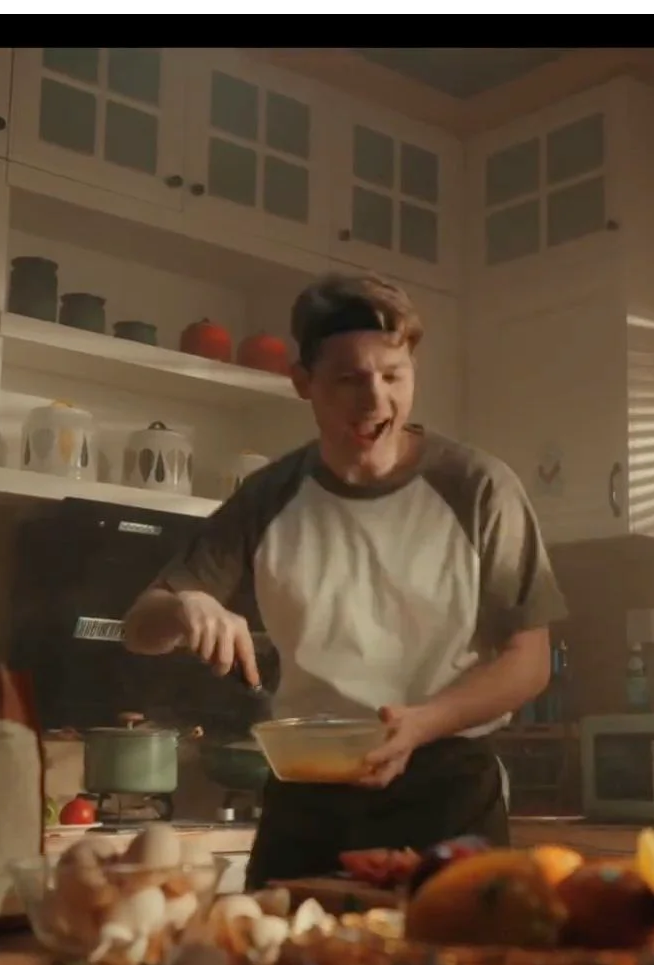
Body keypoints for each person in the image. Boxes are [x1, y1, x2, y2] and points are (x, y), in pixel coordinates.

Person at [122, 272, 568, 887]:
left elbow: (528, 663)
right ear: (303, 382)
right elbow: (140, 627)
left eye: (394, 376)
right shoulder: (269, 498)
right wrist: (188, 606)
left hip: (445, 789)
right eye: (349, 380)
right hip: (308, 799)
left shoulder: (479, 489)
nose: (375, 402)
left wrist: (421, 723)